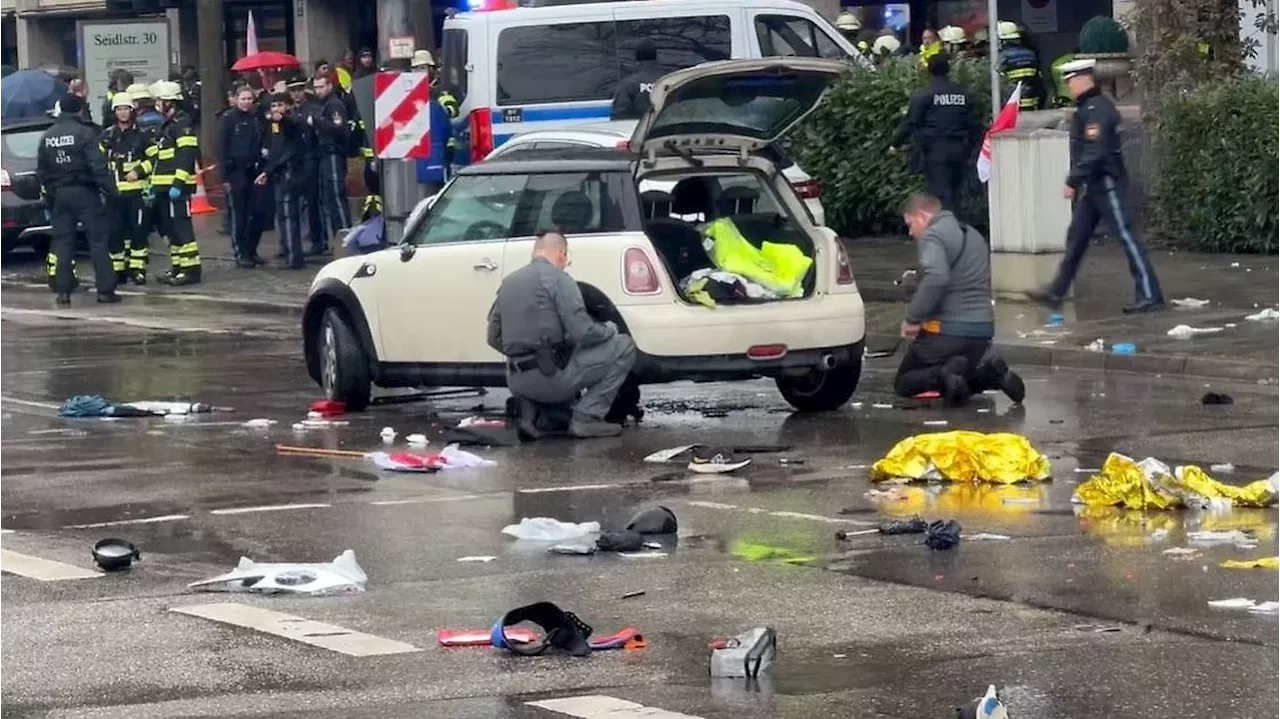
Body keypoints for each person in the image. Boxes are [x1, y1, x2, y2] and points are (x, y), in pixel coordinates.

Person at [1027, 59, 1164, 314]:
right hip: (1094, 185)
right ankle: (1056, 291)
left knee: (1126, 237)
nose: (1068, 87)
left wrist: (1073, 180)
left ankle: (1150, 294)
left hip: (1107, 182)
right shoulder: (1088, 108)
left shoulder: (1098, 109)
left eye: (1071, 81)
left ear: (1084, 80)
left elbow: (1096, 151)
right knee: (1076, 238)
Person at [486, 229, 638, 439]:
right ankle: (587, 418)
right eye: (566, 258)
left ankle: (533, 410)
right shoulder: (559, 279)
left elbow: (492, 337)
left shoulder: (509, 282)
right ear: (561, 254)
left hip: (516, 382)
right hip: (550, 379)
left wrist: (526, 352)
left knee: (564, 355)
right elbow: (583, 331)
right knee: (624, 345)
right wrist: (609, 329)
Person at [895, 194, 1025, 406]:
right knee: (959, 379)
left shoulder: (933, 236)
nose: (910, 232)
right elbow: (962, 279)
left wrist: (912, 319)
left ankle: (944, 375)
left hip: (945, 333)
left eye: (910, 224)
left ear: (922, 216)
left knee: (904, 383)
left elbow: (937, 277)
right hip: (982, 333)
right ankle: (990, 374)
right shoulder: (973, 235)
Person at [37, 93, 118, 305]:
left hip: (60, 194)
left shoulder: (48, 136)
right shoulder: (85, 133)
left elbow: (42, 172)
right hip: (85, 192)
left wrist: (50, 197)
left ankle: (63, 291)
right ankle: (105, 290)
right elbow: (98, 166)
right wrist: (111, 191)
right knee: (97, 241)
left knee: (63, 242)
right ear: (79, 110)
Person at [892, 55, 978, 211]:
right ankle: (958, 228)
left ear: (929, 71)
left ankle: (945, 230)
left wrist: (895, 143)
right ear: (948, 70)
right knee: (956, 192)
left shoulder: (924, 94)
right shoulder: (963, 94)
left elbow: (911, 122)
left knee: (939, 195)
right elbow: (972, 123)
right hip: (960, 149)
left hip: (936, 150)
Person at [148, 80, 202, 286]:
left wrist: (178, 183)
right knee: (170, 230)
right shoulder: (167, 125)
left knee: (182, 229)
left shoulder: (182, 124)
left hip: (176, 187)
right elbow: (162, 160)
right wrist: (154, 186)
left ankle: (191, 270)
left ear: (171, 103)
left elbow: (186, 155)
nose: (157, 105)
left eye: (160, 101)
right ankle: (178, 267)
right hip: (164, 187)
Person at [100, 92, 151, 286]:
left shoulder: (142, 134)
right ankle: (118, 270)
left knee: (138, 232)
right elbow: (99, 161)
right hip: (114, 194)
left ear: (132, 111)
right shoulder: (107, 136)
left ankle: (137, 269)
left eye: (126, 109)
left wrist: (139, 171)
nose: (123, 113)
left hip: (136, 192)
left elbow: (153, 158)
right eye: (119, 109)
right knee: (115, 233)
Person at [219, 85, 268, 269]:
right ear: (236, 100)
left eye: (249, 99)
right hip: (235, 172)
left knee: (257, 212)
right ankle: (241, 252)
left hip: (254, 170)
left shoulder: (256, 118)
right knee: (238, 215)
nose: (247, 102)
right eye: (243, 99)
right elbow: (222, 148)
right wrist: (224, 177)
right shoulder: (228, 119)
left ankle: (251, 249)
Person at [258, 92, 308, 269]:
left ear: (288, 106)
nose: (276, 109)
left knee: (289, 216)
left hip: (290, 174)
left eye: (280, 105)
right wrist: (267, 171)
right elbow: (275, 150)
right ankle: (287, 250)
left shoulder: (293, 121)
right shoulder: (274, 125)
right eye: (273, 106)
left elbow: (291, 128)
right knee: (282, 215)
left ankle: (294, 257)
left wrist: (282, 119)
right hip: (279, 174)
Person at [287, 75, 326, 257]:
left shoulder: (314, 109)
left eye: (299, 90)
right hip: (296, 161)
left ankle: (317, 240)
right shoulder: (290, 112)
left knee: (312, 202)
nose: (296, 94)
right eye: (293, 91)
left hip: (311, 158)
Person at [311, 73, 352, 246]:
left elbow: (339, 129)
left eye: (321, 87)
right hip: (324, 156)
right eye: (316, 87)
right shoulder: (321, 105)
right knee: (328, 200)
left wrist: (317, 122)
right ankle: (338, 238)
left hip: (334, 154)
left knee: (336, 196)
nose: (318, 91)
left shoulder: (334, 105)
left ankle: (345, 238)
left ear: (329, 86)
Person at [997, 21, 1045, 111]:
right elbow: (1038, 81)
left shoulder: (1001, 57)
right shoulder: (1031, 54)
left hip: (1010, 107)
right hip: (1031, 105)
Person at [611, 40, 663, 121]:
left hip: (639, 129)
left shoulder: (630, 84)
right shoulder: (670, 80)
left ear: (637, 61)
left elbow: (620, 115)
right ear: (656, 58)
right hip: (668, 129)